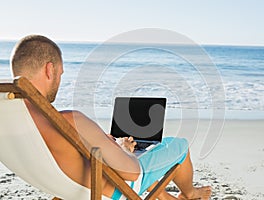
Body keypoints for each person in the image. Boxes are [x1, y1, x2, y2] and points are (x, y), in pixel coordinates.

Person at [10, 34, 212, 200]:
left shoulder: (12, 123)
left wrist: (103, 146)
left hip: (64, 187)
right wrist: (124, 150)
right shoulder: (70, 121)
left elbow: (62, 157)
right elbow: (133, 174)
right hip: (109, 190)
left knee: (120, 153)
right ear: (50, 69)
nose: (60, 80)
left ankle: (167, 198)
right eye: (61, 74)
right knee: (179, 146)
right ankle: (190, 194)